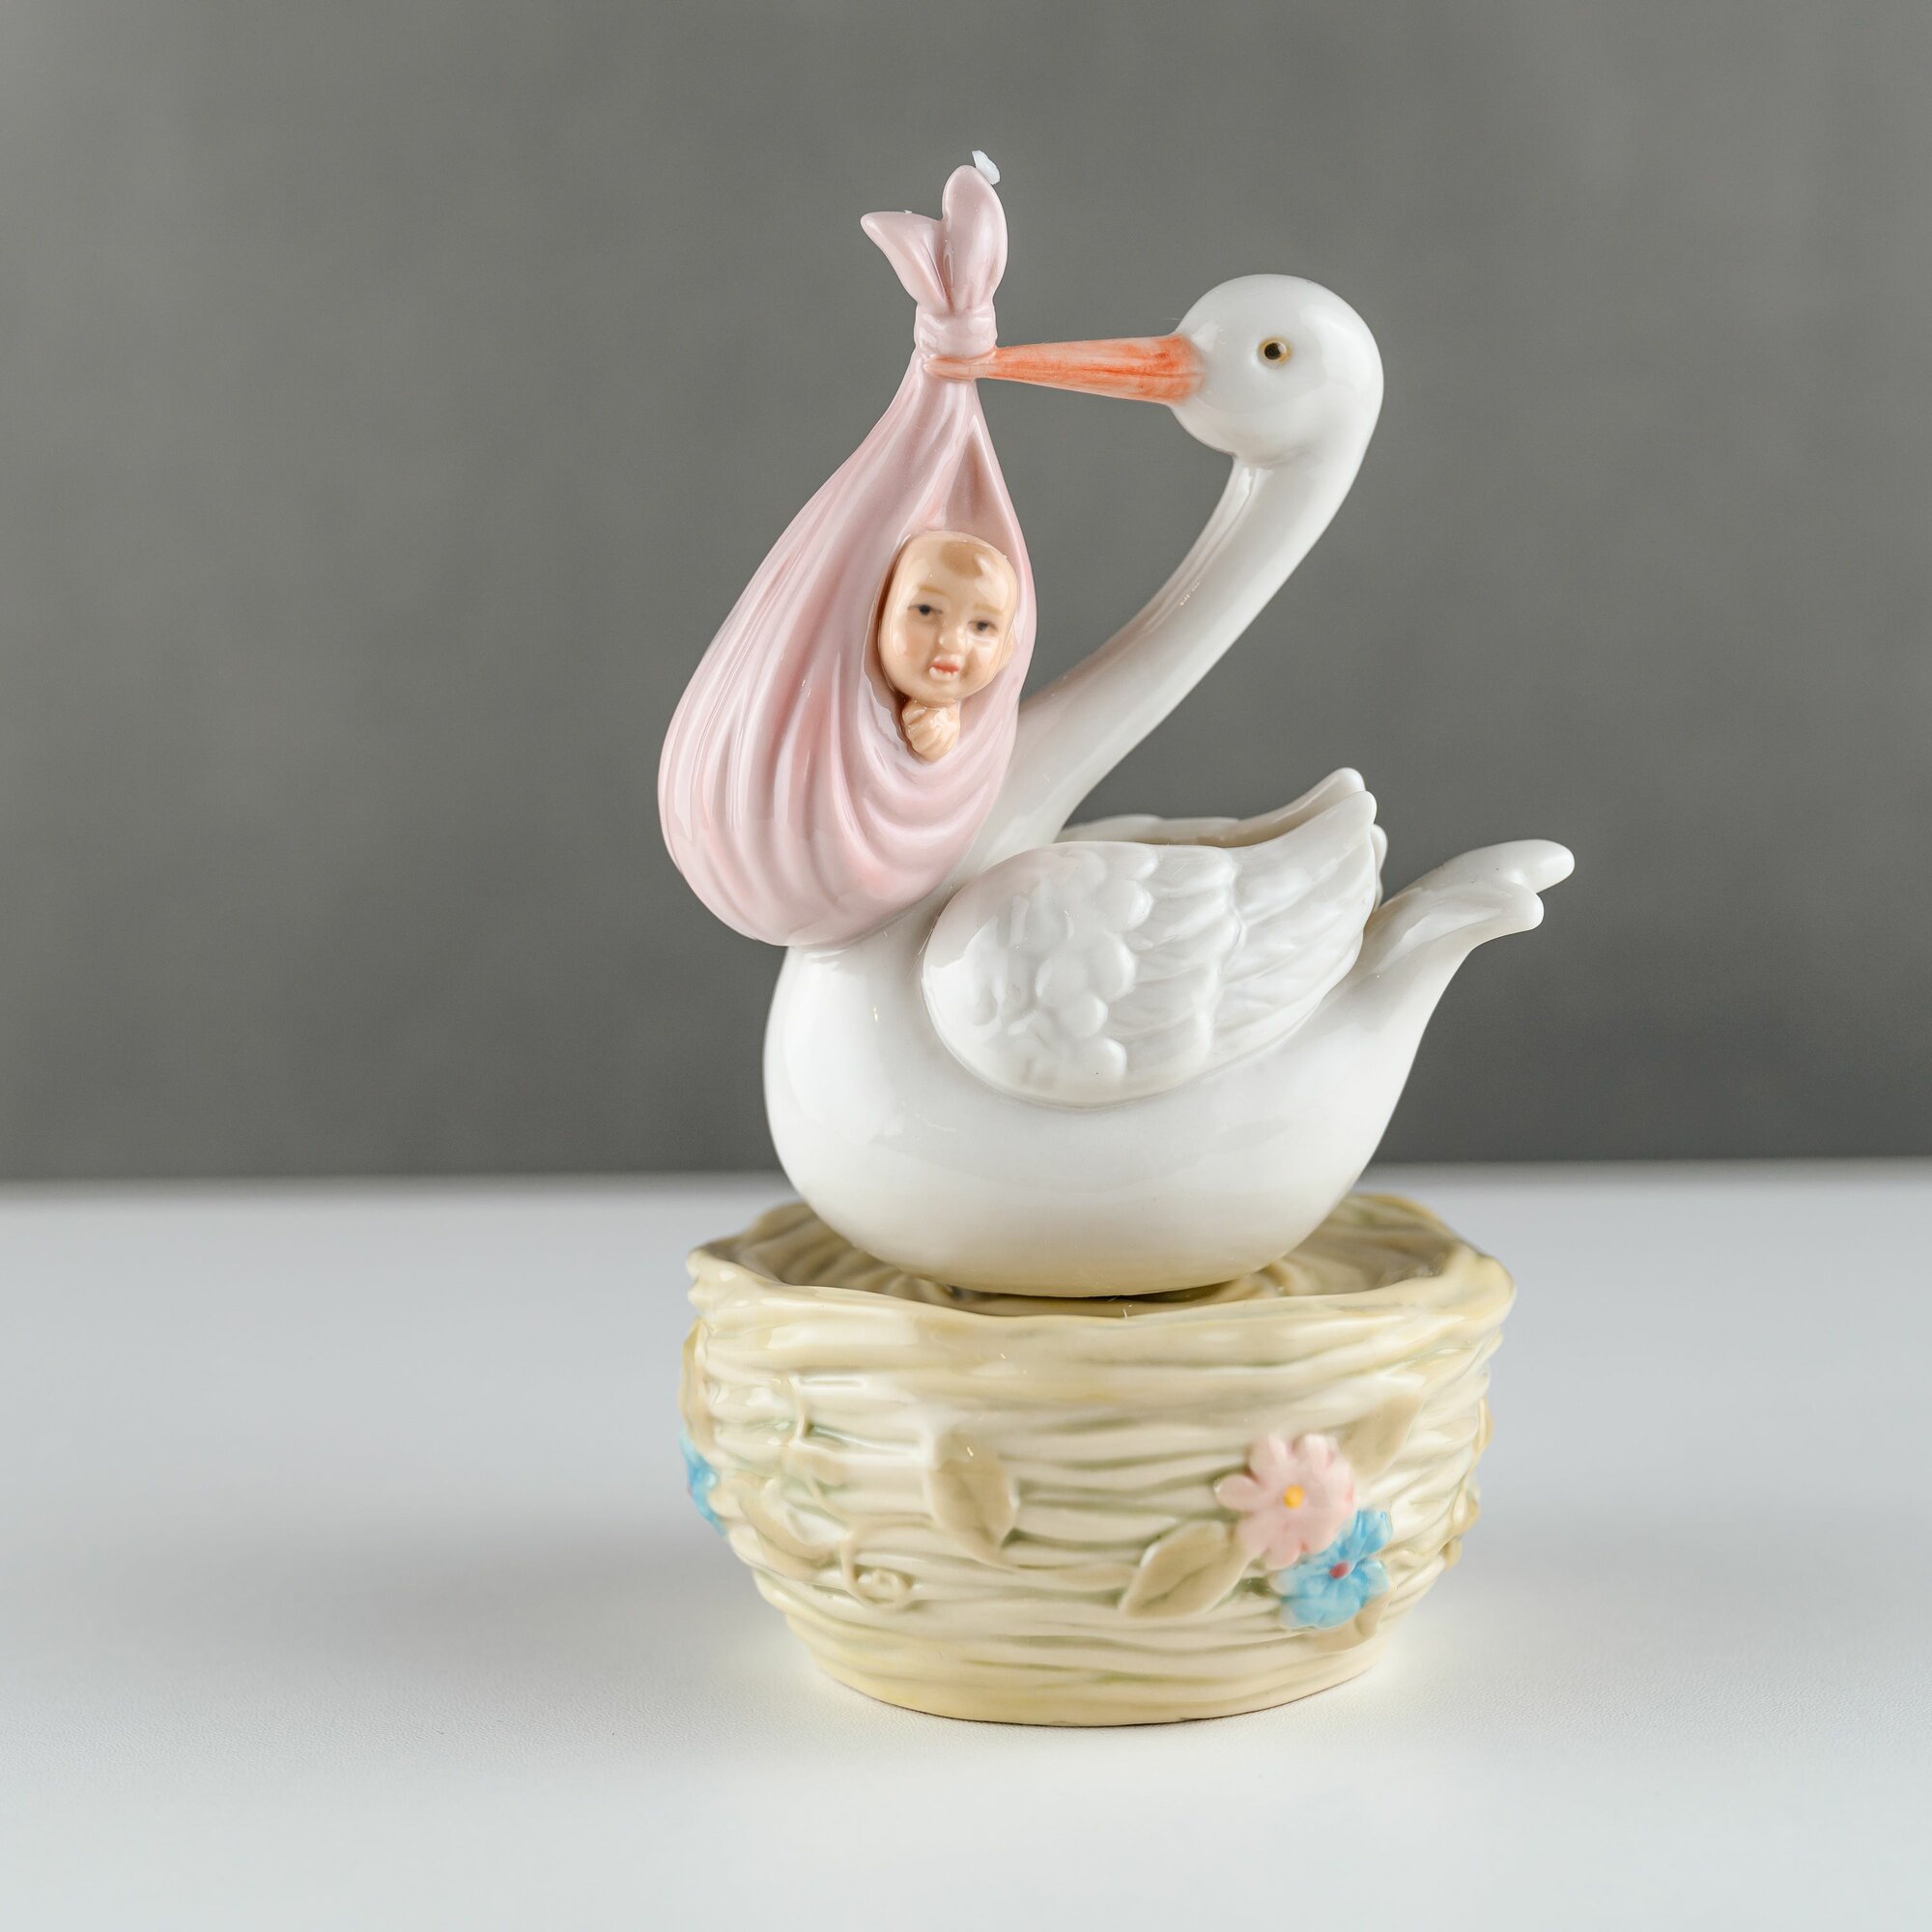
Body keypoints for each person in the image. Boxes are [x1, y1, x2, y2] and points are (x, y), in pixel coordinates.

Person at [876, 530, 1020, 761]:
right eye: (926, 611)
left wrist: (942, 716)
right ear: (880, 615)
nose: (953, 643)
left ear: (1006, 649)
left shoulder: (983, 751)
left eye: (981, 626)